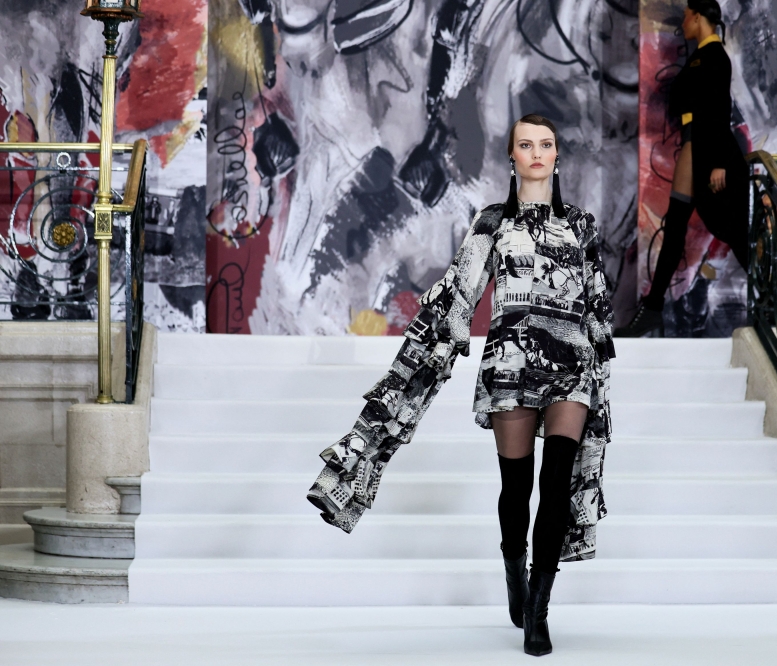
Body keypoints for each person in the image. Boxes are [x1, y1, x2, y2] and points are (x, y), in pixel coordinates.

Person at [306, 114, 615, 657]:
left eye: (546, 144)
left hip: (572, 366)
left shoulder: (581, 225)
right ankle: (514, 569)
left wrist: (601, 374)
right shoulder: (492, 222)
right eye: (526, 145)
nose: (537, 153)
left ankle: (539, 611)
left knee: (557, 483)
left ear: (556, 155)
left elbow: (596, 304)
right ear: (512, 157)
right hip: (509, 364)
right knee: (516, 488)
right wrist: (423, 357)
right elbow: (460, 295)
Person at [616, 0, 749, 338]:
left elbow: (720, 110)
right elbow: (682, 103)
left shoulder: (715, 56)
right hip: (695, 144)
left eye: (688, 16)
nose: (684, 23)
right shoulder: (701, 56)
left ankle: (776, 300)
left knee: (735, 233)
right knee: (675, 228)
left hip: (710, 150)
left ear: (699, 17)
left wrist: (719, 163)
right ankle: (652, 309)